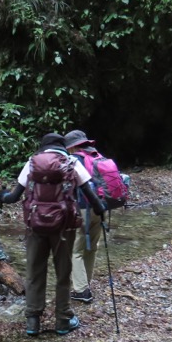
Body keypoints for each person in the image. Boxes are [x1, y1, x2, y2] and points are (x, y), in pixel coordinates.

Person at [0, 133, 106, 336]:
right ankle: (63, 320)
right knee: (63, 274)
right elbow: (90, 194)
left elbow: (13, 197)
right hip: (63, 228)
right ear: (62, 146)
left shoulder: (31, 163)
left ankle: (33, 322)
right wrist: (101, 212)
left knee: (34, 272)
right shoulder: (72, 162)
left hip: (35, 226)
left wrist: (1, 196)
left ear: (43, 147)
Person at [64, 129, 103, 303]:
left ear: (72, 147)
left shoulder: (76, 160)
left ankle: (81, 290)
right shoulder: (97, 156)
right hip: (101, 207)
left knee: (75, 250)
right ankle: (86, 282)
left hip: (83, 208)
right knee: (91, 247)